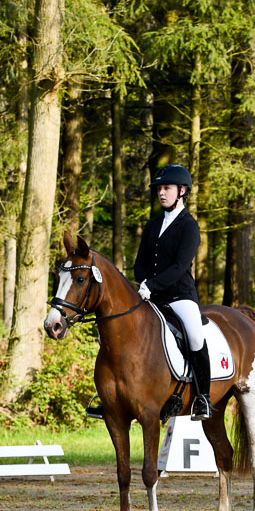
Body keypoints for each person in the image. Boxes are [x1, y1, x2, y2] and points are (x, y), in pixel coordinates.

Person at [86, 163, 212, 421]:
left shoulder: (189, 226)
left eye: (167, 188)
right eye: (159, 189)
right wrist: (143, 283)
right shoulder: (153, 226)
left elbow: (180, 266)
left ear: (182, 191)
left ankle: (203, 398)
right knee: (113, 332)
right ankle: (110, 397)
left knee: (194, 335)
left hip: (179, 296)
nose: (161, 193)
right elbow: (140, 262)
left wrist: (152, 285)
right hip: (150, 298)